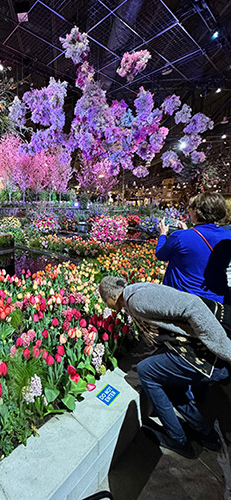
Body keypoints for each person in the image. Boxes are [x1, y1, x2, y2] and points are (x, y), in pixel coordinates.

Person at [98, 276, 231, 458]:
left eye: (105, 300)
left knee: (146, 372)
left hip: (203, 356)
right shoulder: (134, 296)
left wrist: (225, 349)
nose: (106, 306)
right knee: (165, 379)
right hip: (192, 350)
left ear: (111, 297)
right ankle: (205, 434)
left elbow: (192, 305)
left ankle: (179, 440)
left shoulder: (137, 300)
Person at [156, 192, 231, 304]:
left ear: (196, 211)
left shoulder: (180, 237)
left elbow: (161, 255)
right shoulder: (227, 236)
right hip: (217, 301)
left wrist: (162, 234)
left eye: (190, 208)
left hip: (185, 301)